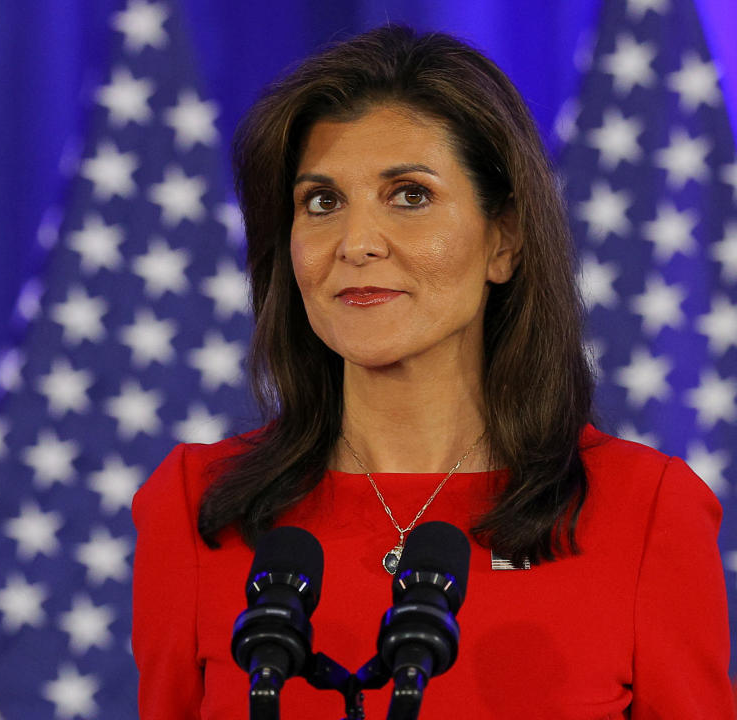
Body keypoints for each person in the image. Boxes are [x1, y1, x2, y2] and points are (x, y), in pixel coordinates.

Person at [131, 25, 734, 719]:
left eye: (410, 195)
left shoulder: (645, 511)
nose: (356, 244)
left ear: (503, 239)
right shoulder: (196, 508)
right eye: (321, 202)